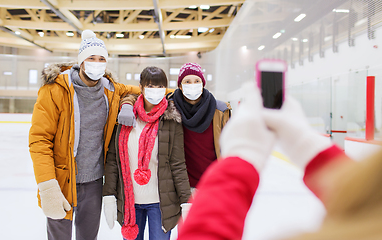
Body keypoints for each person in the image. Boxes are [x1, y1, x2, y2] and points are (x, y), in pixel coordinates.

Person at [176, 82, 367, 240]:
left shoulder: (220, 109)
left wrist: (240, 158)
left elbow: (205, 233)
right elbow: (371, 201)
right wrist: (308, 145)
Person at [29, 29, 141, 240]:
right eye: (91, 58)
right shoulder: (54, 90)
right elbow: (39, 141)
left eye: (101, 59)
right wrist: (47, 185)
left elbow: (146, 91)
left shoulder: (111, 90)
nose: (96, 63)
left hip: (94, 182)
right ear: (81, 61)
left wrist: (127, 103)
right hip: (61, 180)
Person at [102, 66, 191, 240]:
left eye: (160, 86)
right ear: (141, 87)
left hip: (161, 202)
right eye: (150, 85)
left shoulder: (171, 119)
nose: (155, 91)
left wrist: (186, 201)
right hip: (130, 201)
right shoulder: (125, 116)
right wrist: (109, 196)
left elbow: (178, 164)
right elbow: (113, 160)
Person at [118, 62, 231, 190]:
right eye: (187, 81)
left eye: (196, 81)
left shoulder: (220, 111)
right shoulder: (169, 106)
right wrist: (127, 104)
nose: (192, 85)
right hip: (180, 186)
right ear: (180, 86)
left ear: (203, 84)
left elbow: (231, 148)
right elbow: (140, 98)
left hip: (213, 183)